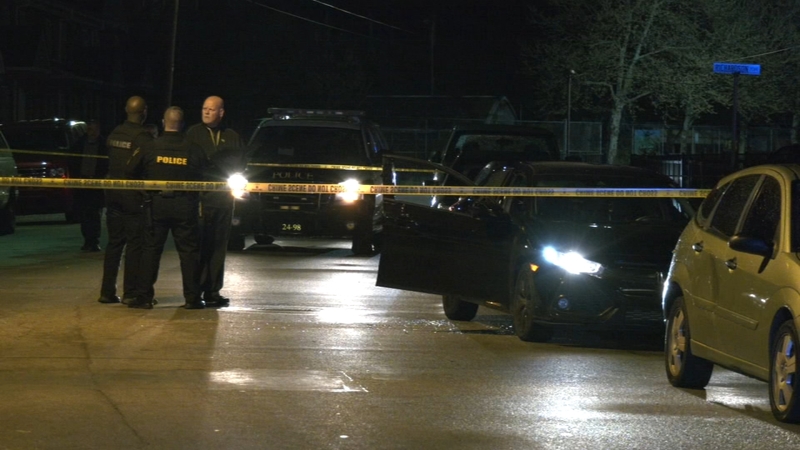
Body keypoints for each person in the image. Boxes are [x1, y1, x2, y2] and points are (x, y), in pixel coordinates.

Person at [126, 106, 207, 309]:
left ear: (163, 123)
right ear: (182, 125)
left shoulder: (150, 146)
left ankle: (144, 297)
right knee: (189, 253)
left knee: (150, 251)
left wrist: (144, 190)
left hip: (156, 205)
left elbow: (130, 170)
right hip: (185, 205)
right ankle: (193, 298)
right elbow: (206, 174)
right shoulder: (193, 148)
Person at [186, 95, 244, 307]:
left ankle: (213, 291)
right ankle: (195, 291)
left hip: (223, 199)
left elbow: (240, 163)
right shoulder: (193, 133)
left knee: (219, 246)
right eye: (204, 108)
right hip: (200, 199)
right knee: (199, 246)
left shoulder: (231, 136)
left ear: (221, 112)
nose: (206, 112)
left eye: (211, 109)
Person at [97, 96, 153, 304]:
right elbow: (146, 166)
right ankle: (131, 293)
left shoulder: (115, 133)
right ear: (144, 112)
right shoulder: (143, 137)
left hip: (112, 193)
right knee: (134, 244)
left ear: (126, 110)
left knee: (114, 243)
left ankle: (107, 291)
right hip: (132, 195)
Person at [74, 120, 108, 252]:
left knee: (95, 214)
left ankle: (94, 241)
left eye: (94, 130)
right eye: (90, 130)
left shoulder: (104, 145)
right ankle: (87, 240)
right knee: (84, 214)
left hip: (96, 183)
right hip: (82, 183)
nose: (92, 133)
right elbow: (74, 162)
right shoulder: (79, 144)